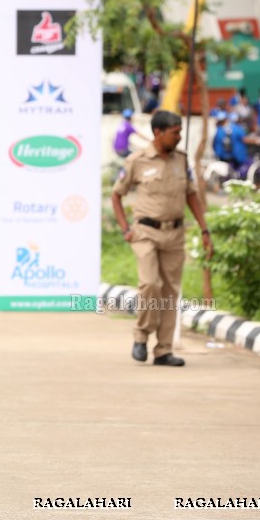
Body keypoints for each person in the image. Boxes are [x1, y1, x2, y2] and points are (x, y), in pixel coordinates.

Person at [111, 110, 213, 367]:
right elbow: (116, 195)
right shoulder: (137, 160)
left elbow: (191, 195)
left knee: (169, 292)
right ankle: (141, 335)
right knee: (150, 284)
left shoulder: (181, 159)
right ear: (158, 132)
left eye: (180, 131)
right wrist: (125, 228)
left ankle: (163, 349)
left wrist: (204, 229)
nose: (179, 137)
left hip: (175, 234)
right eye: (174, 132)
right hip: (145, 232)